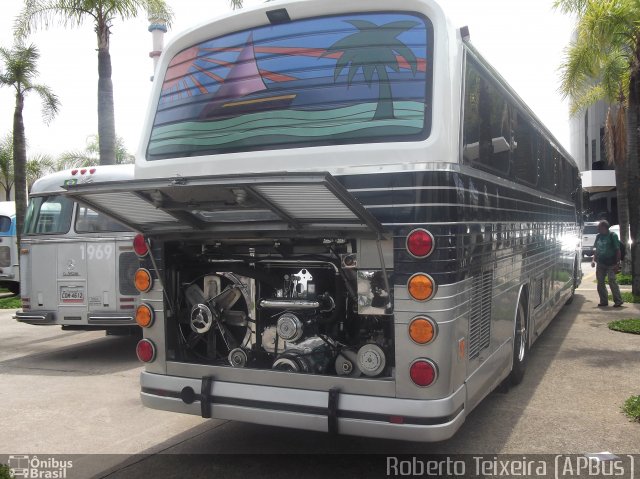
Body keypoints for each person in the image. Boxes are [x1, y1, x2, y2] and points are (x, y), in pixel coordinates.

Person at [591, 220, 623, 307]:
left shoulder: (613, 236)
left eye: (599, 227)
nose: (598, 228)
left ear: (604, 227)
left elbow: (618, 250)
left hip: (611, 263)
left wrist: (617, 264)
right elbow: (596, 249)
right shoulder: (598, 236)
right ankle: (603, 301)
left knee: (612, 281)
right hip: (601, 263)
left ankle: (618, 300)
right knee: (600, 282)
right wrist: (593, 260)